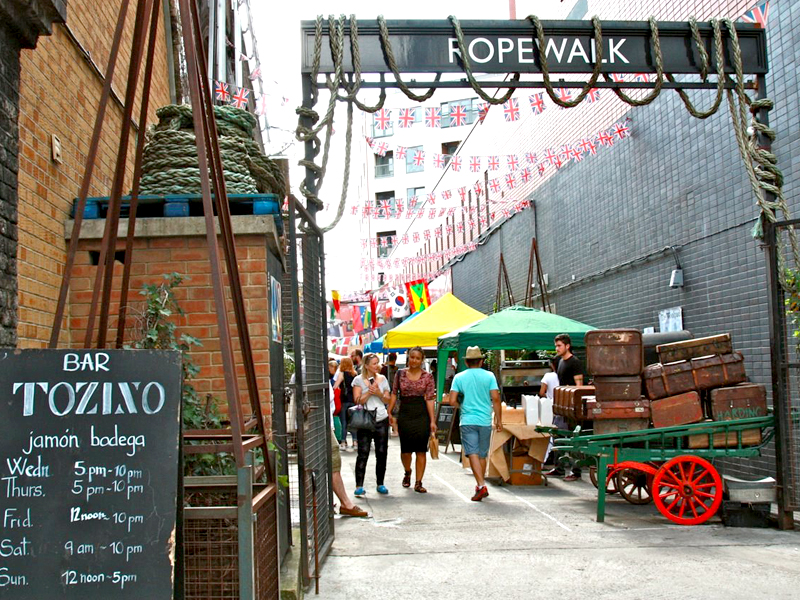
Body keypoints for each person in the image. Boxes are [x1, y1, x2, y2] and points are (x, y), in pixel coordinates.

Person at [448, 346, 502, 502]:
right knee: (483, 454)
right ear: (481, 361)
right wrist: (498, 419)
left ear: (467, 362)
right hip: (485, 420)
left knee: (472, 452)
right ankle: (480, 485)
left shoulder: (459, 377)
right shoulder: (490, 376)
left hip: (467, 420)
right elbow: (496, 399)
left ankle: (480, 485)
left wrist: (462, 406)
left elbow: (452, 401)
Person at [388, 346, 437, 493]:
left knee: (421, 450)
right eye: (412, 357)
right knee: (406, 451)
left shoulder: (427, 377)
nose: (414, 360)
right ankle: (407, 471)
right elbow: (394, 393)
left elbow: (429, 399)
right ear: (408, 357)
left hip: (421, 413)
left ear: (422, 360)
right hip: (405, 412)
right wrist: (389, 411)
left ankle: (418, 482)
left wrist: (432, 421)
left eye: (417, 358)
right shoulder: (400, 374)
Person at [352, 353, 392, 497]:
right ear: (366, 365)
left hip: (381, 418)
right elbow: (358, 400)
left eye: (377, 363)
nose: (377, 366)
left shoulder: (382, 379)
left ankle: (380, 483)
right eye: (374, 363)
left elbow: (387, 399)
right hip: (365, 420)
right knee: (363, 452)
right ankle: (359, 485)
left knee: (382, 453)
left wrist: (379, 393)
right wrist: (369, 391)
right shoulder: (358, 380)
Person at [547, 333, 584, 481]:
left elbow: (579, 387)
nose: (556, 348)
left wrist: (574, 405)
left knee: (573, 438)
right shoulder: (560, 362)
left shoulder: (575, 362)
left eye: (559, 346)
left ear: (567, 346)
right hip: (561, 406)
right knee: (558, 436)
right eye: (556, 346)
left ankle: (576, 470)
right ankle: (559, 467)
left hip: (572, 407)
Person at [328, 380, 368, 518]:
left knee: (331, 464)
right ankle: (345, 504)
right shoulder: (309, 368)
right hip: (318, 425)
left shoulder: (319, 369)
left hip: (325, 424)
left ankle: (335, 503)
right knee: (332, 464)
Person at [539, 356, 560, 465]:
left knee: (550, 432)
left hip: (550, 406)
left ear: (552, 365)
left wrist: (548, 397)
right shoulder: (562, 375)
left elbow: (542, 392)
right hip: (562, 406)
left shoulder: (548, 376)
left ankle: (549, 455)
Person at [333, 357, 358, 450]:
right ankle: (355, 441)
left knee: (344, 422)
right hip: (354, 400)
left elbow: (335, 386)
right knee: (353, 421)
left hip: (344, 400)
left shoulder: (342, 373)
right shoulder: (355, 374)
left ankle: (343, 442)